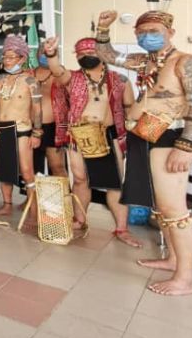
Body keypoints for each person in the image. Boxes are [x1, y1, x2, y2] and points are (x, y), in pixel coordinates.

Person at [93, 5, 192, 296]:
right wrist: (104, 29)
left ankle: (186, 279)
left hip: (170, 138)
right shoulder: (146, 62)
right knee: (161, 206)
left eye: (154, 32)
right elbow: (109, 55)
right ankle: (173, 259)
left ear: (170, 33)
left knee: (175, 210)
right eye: (142, 32)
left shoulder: (187, 63)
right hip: (143, 136)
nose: (148, 36)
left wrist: (186, 145)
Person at [45, 36, 141, 247]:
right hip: (78, 134)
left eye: (89, 53)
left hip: (109, 134)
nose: (84, 57)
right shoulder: (72, 78)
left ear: (101, 54)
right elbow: (57, 71)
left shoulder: (120, 80)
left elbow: (129, 108)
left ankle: (122, 228)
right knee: (80, 179)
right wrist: (52, 55)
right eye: (80, 54)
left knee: (116, 183)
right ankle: (80, 220)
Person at [0, 35, 42, 220]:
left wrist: (37, 133)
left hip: (22, 129)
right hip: (3, 128)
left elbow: (37, 109)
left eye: (11, 57)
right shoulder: (0, 80)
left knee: (27, 170)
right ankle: (7, 204)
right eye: (5, 57)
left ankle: (33, 208)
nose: (7, 60)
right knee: (4, 169)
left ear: (22, 58)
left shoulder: (30, 81)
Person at [33, 42, 67, 176]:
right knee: (32, 168)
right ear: (37, 54)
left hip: (53, 128)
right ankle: (33, 197)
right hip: (30, 127)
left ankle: (64, 196)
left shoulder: (60, 74)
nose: (45, 55)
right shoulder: (29, 73)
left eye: (48, 52)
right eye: (42, 51)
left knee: (57, 166)